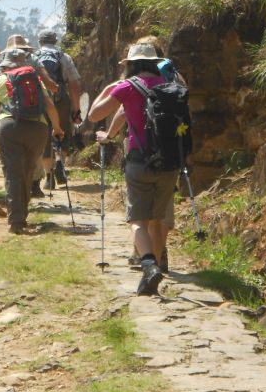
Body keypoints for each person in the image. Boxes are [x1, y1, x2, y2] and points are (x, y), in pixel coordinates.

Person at [88, 42, 179, 296]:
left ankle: (148, 265)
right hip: (169, 163)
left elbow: (94, 115)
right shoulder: (171, 84)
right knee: (157, 220)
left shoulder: (127, 87)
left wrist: (110, 89)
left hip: (140, 160)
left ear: (130, 64)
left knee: (138, 221)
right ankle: (156, 270)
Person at [106, 35, 185, 272]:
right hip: (170, 153)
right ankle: (160, 257)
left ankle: (147, 258)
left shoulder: (130, 85)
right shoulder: (174, 80)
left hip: (140, 153)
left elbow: (107, 113)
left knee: (140, 215)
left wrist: (109, 134)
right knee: (161, 211)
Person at [0, 48, 64, 233]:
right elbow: (50, 107)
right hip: (38, 129)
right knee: (27, 170)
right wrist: (57, 128)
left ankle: (16, 219)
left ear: (5, 65)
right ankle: (23, 214)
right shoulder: (36, 81)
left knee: (12, 172)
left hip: (9, 128)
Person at [35, 29, 82, 191]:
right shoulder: (64, 57)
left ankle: (49, 177)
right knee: (62, 133)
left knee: (43, 137)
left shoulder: (34, 57)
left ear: (40, 41)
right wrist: (76, 110)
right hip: (61, 100)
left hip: (40, 101)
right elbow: (74, 84)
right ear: (55, 41)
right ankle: (60, 161)